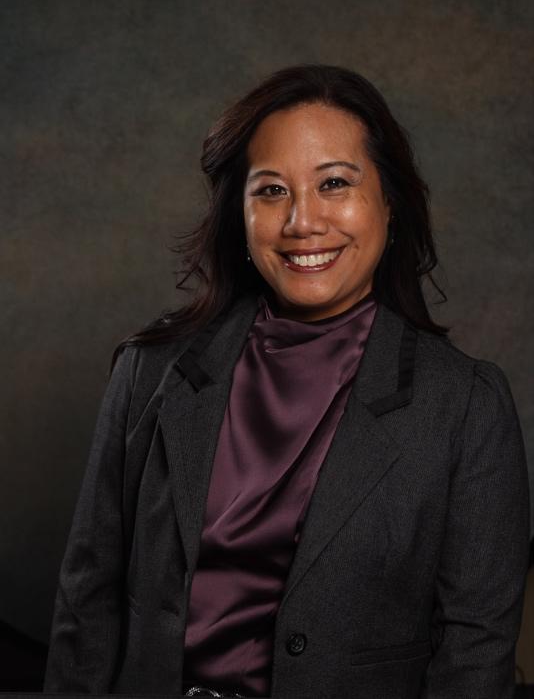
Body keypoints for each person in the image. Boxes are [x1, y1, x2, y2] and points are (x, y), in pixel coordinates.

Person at [44, 65, 530, 698]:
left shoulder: (465, 406)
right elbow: (86, 608)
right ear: (240, 213)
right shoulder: (150, 372)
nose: (302, 221)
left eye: (334, 183)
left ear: (390, 202)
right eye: (272, 190)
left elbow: (474, 655)